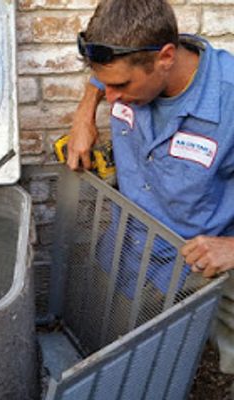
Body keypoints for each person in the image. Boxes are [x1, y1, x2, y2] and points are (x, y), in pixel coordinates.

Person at [67, 0, 234, 379]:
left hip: (208, 268)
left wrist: (231, 248)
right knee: (133, 355)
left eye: (120, 86)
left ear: (165, 58)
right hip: (132, 252)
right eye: (105, 85)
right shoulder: (131, 60)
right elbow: (105, 76)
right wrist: (84, 111)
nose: (111, 96)